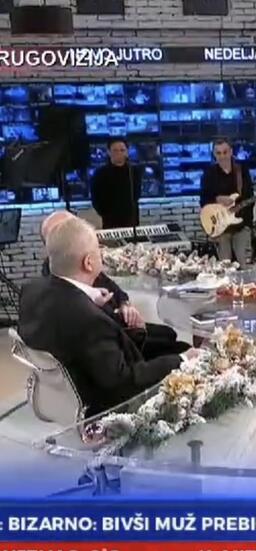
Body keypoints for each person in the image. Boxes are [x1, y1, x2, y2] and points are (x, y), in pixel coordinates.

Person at [19, 217, 196, 417]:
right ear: (88, 262)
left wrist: (88, 299)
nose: (102, 253)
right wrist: (183, 360)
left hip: (58, 394)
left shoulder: (31, 291)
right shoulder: (89, 320)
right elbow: (124, 383)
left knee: (168, 341)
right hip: (102, 405)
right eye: (98, 249)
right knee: (187, 358)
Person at [39, 211, 190, 360]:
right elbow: (116, 360)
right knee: (180, 347)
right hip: (119, 341)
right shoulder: (68, 298)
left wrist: (125, 305)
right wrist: (138, 333)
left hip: (118, 331)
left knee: (169, 333)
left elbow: (114, 290)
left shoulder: (78, 273)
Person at [200, 139, 254, 267]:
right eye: (218, 153)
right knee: (224, 267)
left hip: (241, 225)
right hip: (221, 227)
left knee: (244, 265)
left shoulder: (241, 171)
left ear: (231, 152)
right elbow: (203, 200)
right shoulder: (209, 174)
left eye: (225, 152)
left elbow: (249, 197)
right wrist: (217, 200)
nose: (222, 156)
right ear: (214, 154)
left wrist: (244, 220)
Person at [91, 138, 142, 230]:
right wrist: (105, 213)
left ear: (127, 152)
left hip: (131, 221)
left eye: (122, 150)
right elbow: (95, 198)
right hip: (110, 221)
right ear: (108, 152)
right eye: (115, 150)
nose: (119, 153)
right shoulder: (100, 173)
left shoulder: (133, 172)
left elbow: (136, 194)